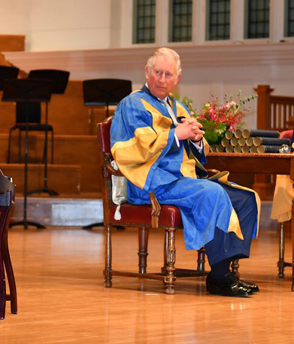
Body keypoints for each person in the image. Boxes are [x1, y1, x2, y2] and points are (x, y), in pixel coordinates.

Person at [110, 47, 261, 297]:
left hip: (182, 180)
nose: (162, 79)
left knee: (244, 198)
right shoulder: (132, 104)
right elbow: (135, 149)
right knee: (212, 193)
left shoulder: (177, 107)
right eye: (158, 72)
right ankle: (221, 275)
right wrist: (176, 135)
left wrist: (196, 140)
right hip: (152, 182)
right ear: (147, 72)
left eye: (168, 74)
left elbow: (195, 155)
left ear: (177, 78)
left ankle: (225, 274)